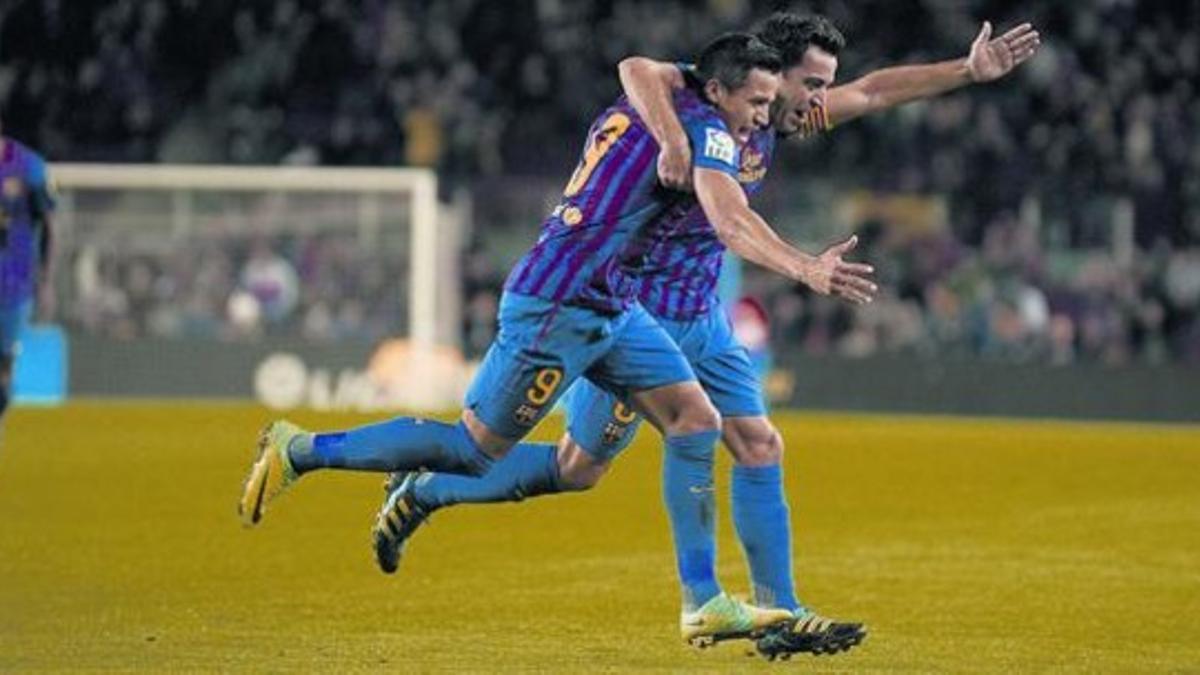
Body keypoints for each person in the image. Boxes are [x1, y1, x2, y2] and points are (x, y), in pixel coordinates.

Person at [371, 12, 1039, 657]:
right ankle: (428, 488)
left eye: (815, 86)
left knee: (758, 441)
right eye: (808, 83)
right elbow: (642, 74)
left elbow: (871, 90)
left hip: (704, 319)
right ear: (770, 75)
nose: (815, 99)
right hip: (637, 315)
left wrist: (967, 70)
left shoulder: (777, 117)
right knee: (578, 468)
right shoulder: (703, 116)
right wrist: (796, 258)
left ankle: (781, 612)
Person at [238, 33, 875, 645]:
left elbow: (639, 66)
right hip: (560, 303)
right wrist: (805, 267)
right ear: (716, 91)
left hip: (614, 304)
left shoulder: (657, 98)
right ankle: (302, 450)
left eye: (770, 104)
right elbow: (731, 217)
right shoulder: (709, 130)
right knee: (470, 450)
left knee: (692, 418)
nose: (762, 118)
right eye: (757, 103)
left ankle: (702, 602)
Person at [0, 117, 56, 423]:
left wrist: (46, 281)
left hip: (12, 285)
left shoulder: (27, 166)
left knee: (4, 367)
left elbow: (49, 226)